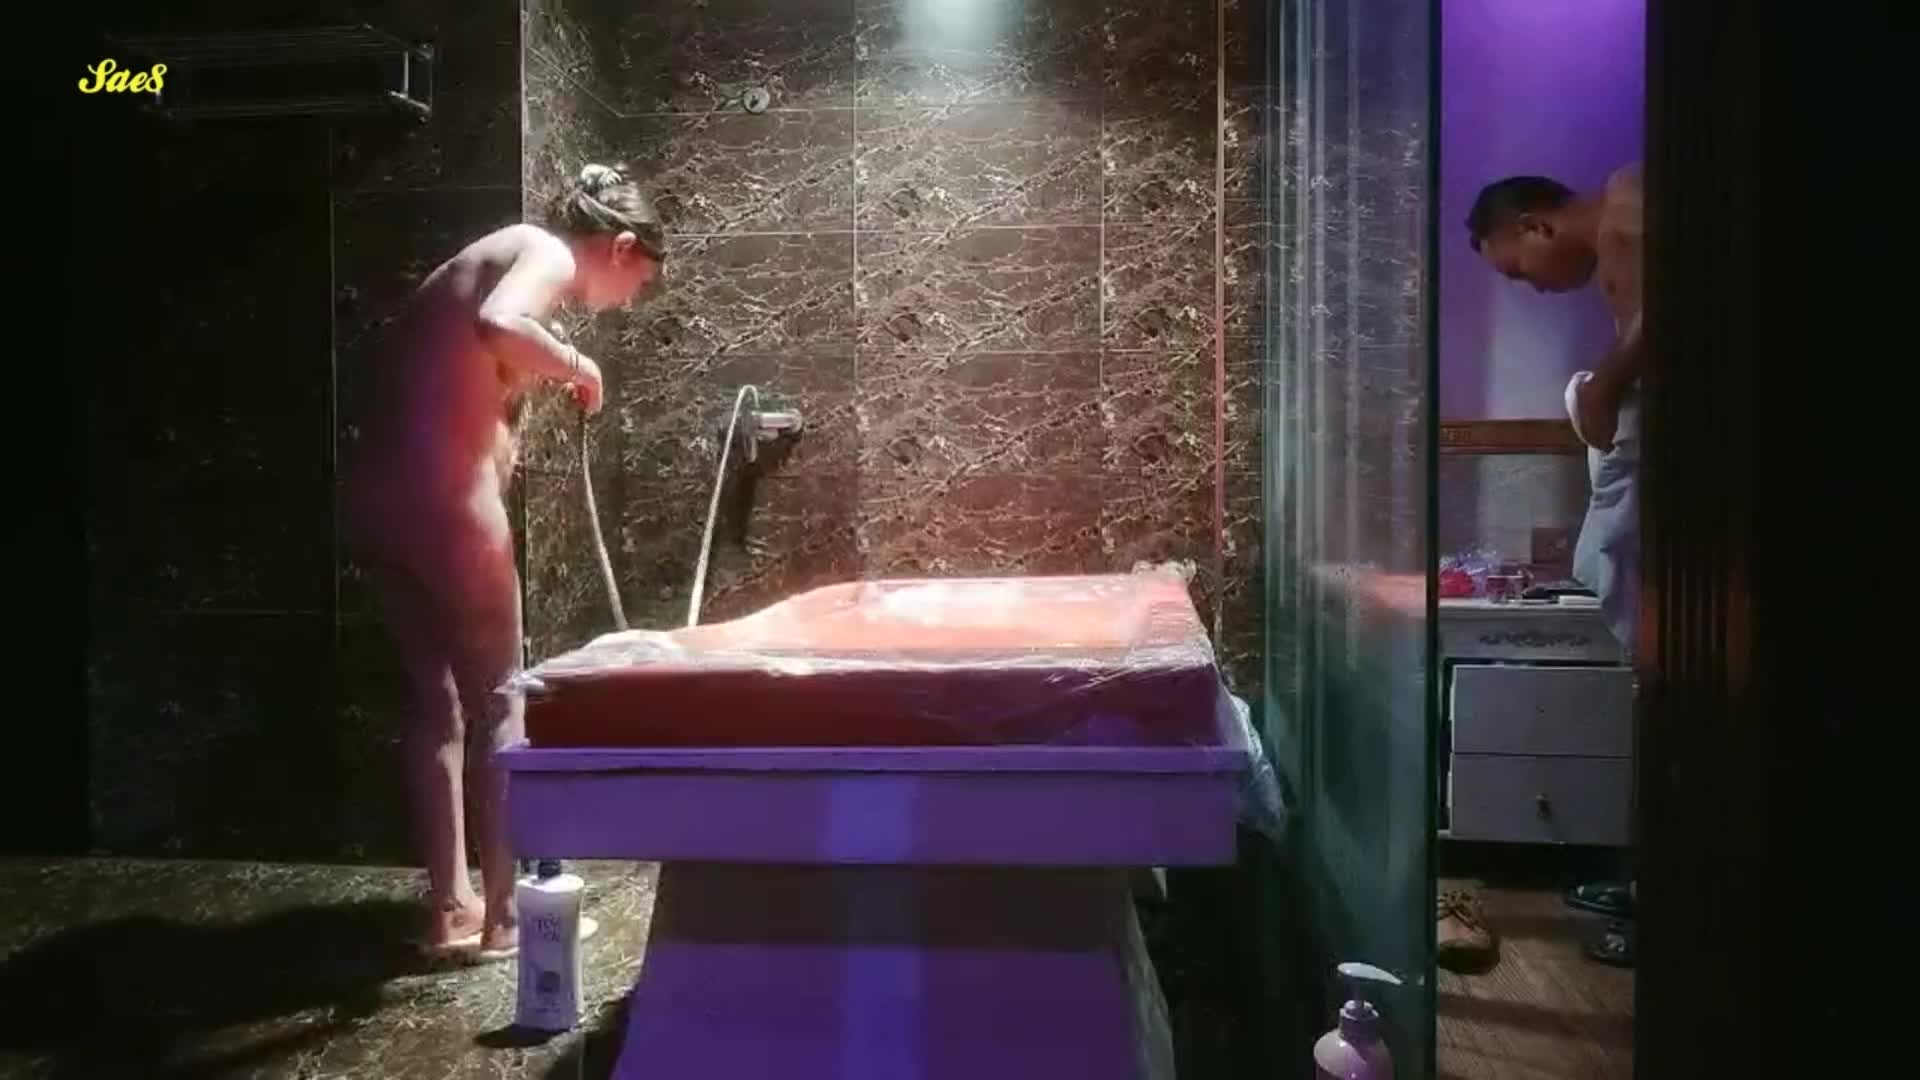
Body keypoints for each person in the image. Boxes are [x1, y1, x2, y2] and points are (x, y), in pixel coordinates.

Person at [340, 164, 665, 961]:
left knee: (435, 703)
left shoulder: (481, 257)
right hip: (450, 507)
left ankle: (449, 906)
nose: (630, 300)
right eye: (640, 282)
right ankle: (508, 921)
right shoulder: (541, 250)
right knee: (502, 703)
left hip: (379, 503)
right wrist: (579, 366)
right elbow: (501, 322)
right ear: (621, 247)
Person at [1462, 167, 1646, 968]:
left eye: (1516, 270)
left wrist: (1603, 390)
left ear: (1536, 225)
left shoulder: (1633, 201)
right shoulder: (1622, 229)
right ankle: (1646, 880)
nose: (1530, 288)